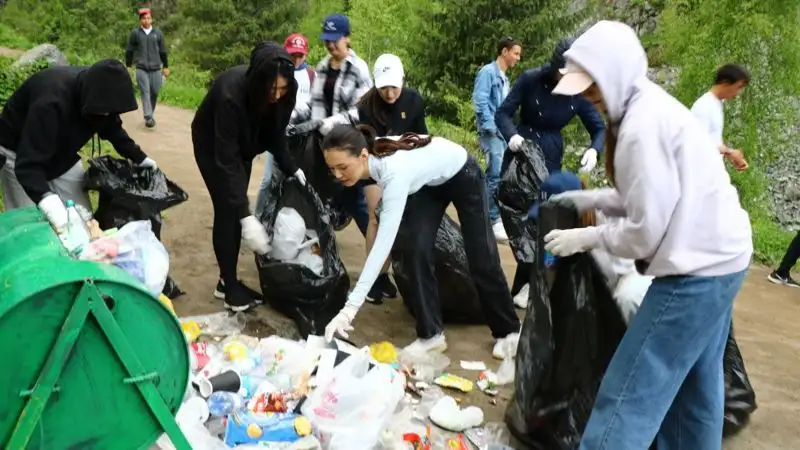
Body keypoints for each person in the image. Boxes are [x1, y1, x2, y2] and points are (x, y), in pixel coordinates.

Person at [544, 21, 752, 449]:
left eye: (593, 88)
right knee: (694, 392)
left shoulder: (639, 128)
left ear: (616, 74)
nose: (587, 98)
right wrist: (590, 200)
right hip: (726, 258)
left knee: (627, 395)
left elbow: (643, 234)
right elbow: (647, 196)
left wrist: (587, 239)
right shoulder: (649, 103)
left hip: (698, 270)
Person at [321, 125, 521, 359]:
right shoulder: (373, 162)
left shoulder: (393, 173)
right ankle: (431, 335)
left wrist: (349, 309)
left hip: (462, 173)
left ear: (363, 155)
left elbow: (382, 247)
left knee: (482, 256)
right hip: (428, 184)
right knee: (414, 250)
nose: (337, 175)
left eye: (342, 167)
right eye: (332, 169)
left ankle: (509, 332)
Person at [192, 42, 306, 312]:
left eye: (282, 89)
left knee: (235, 204)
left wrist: (292, 167)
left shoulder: (288, 90)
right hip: (213, 146)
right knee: (228, 208)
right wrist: (245, 215)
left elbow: (276, 133)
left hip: (244, 145)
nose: (277, 95)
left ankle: (226, 281)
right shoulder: (230, 94)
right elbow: (226, 161)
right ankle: (229, 286)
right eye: (272, 89)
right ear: (258, 82)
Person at [496, 38, 606, 306]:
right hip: (520, 157)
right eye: (560, 72)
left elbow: (599, 128)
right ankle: (523, 285)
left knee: (543, 223)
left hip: (550, 161)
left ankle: (530, 286)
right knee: (519, 222)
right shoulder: (530, 79)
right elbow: (503, 113)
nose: (563, 79)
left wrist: (594, 150)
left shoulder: (578, 92)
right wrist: (511, 135)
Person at [0, 59, 157, 231]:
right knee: (27, 225)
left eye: (109, 112)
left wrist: (139, 158)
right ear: (88, 99)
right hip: (17, 154)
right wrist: (46, 199)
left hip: (62, 155)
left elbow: (112, 129)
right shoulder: (50, 102)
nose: (106, 115)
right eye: (102, 111)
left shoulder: (102, 92)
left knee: (83, 219)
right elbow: (27, 165)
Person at [527, 171, 653, 322]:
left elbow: (622, 269)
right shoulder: (554, 234)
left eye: (554, 215)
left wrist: (586, 240)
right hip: (603, 282)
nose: (549, 221)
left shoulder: (610, 218)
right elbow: (548, 279)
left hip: (634, 272)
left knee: (625, 300)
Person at [354, 53, 427, 304]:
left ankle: (389, 273)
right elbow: (366, 144)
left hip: (405, 165)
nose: (389, 92)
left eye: (394, 86)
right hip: (376, 165)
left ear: (402, 80)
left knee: (402, 220)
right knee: (377, 217)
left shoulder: (414, 100)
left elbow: (421, 137)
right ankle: (374, 276)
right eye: (383, 86)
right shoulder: (365, 106)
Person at [293, 13, 373, 235]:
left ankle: (382, 252)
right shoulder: (322, 67)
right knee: (316, 196)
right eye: (327, 40)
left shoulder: (359, 68)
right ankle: (317, 250)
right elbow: (313, 103)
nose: (330, 45)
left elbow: (364, 109)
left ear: (347, 38)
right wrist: (291, 115)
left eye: (335, 40)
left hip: (348, 144)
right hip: (322, 145)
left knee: (357, 200)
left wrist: (334, 122)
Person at [254, 33, 316, 218]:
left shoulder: (312, 75)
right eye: (292, 55)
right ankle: (258, 216)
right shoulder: (276, 70)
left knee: (297, 177)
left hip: (302, 135)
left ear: (306, 55)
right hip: (277, 132)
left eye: (300, 56)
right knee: (268, 180)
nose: (296, 60)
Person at [473, 37, 522, 242]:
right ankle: (490, 220)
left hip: (502, 133)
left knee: (499, 174)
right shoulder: (488, 73)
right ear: (504, 52)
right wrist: (490, 127)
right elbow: (480, 100)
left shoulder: (504, 78)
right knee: (494, 172)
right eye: (516, 53)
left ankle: (485, 216)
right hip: (491, 131)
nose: (518, 58)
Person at [690, 63, 750, 171]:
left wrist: (731, 156)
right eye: (738, 87)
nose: (739, 93)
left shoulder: (717, 103)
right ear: (725, 82)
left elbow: (714, 140)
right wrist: (730, 152)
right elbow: (697, 144)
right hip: (701, 175)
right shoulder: (703, 106)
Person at [125, 7, 169, 128]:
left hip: (156, 68)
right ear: (140, 20)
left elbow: (163, 51)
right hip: (141, 68)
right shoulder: (135, 33)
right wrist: (128, 66)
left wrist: (165, 66)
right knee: (145, 92)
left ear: (152, 20)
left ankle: (150, 115)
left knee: (154, 92)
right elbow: (129, 50)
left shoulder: (157, 33)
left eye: (148, 18)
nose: (146, 20)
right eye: (144, 18)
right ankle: (148, 117)